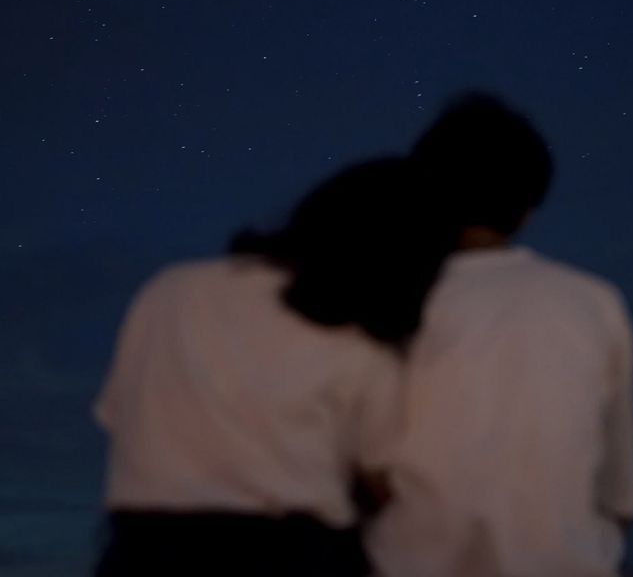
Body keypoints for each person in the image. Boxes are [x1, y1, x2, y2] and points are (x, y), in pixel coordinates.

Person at [92, 156, 453, 577]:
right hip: (294, 553)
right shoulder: (362, 342)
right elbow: (380, 476)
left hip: (145, 552)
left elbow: (119, 415)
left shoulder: (170, 292)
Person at [366, 92, 633, 577]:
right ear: (529, 208)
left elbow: (363, 468)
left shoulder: (388, 302)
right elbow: (620, 498)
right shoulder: (593, 303)